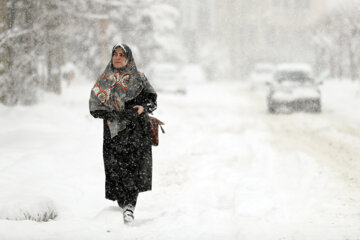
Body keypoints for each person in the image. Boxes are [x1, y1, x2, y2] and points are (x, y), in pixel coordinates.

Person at [89, 44, 157, 224]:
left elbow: (152, 100)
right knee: (116, 170)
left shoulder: (139, 78)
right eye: (115, 54)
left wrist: (144, 107)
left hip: (137, 132)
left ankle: (129, 207)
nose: (118, 57)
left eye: (122, 55)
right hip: (113, 134)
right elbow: (94, 108)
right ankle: (123, 204)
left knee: (133, 170)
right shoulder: (104, 80)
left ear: (128, 58)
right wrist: (110, 113)